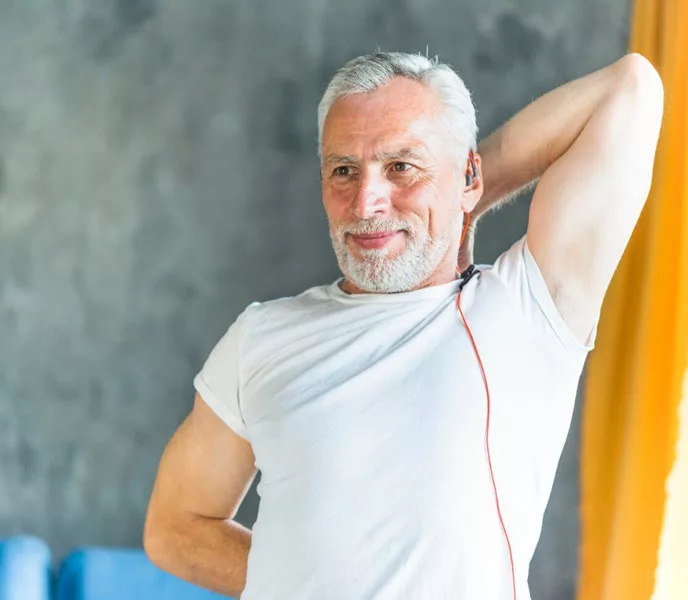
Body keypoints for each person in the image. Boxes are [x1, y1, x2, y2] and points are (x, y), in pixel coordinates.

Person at [142, 51, 663, 599]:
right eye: (344, 170)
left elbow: (630, 90)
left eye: (401, 167)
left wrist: (462, 207)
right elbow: (174, 528)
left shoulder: (526, 309)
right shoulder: (262, 337)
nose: (366, 203)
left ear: (467, 175)